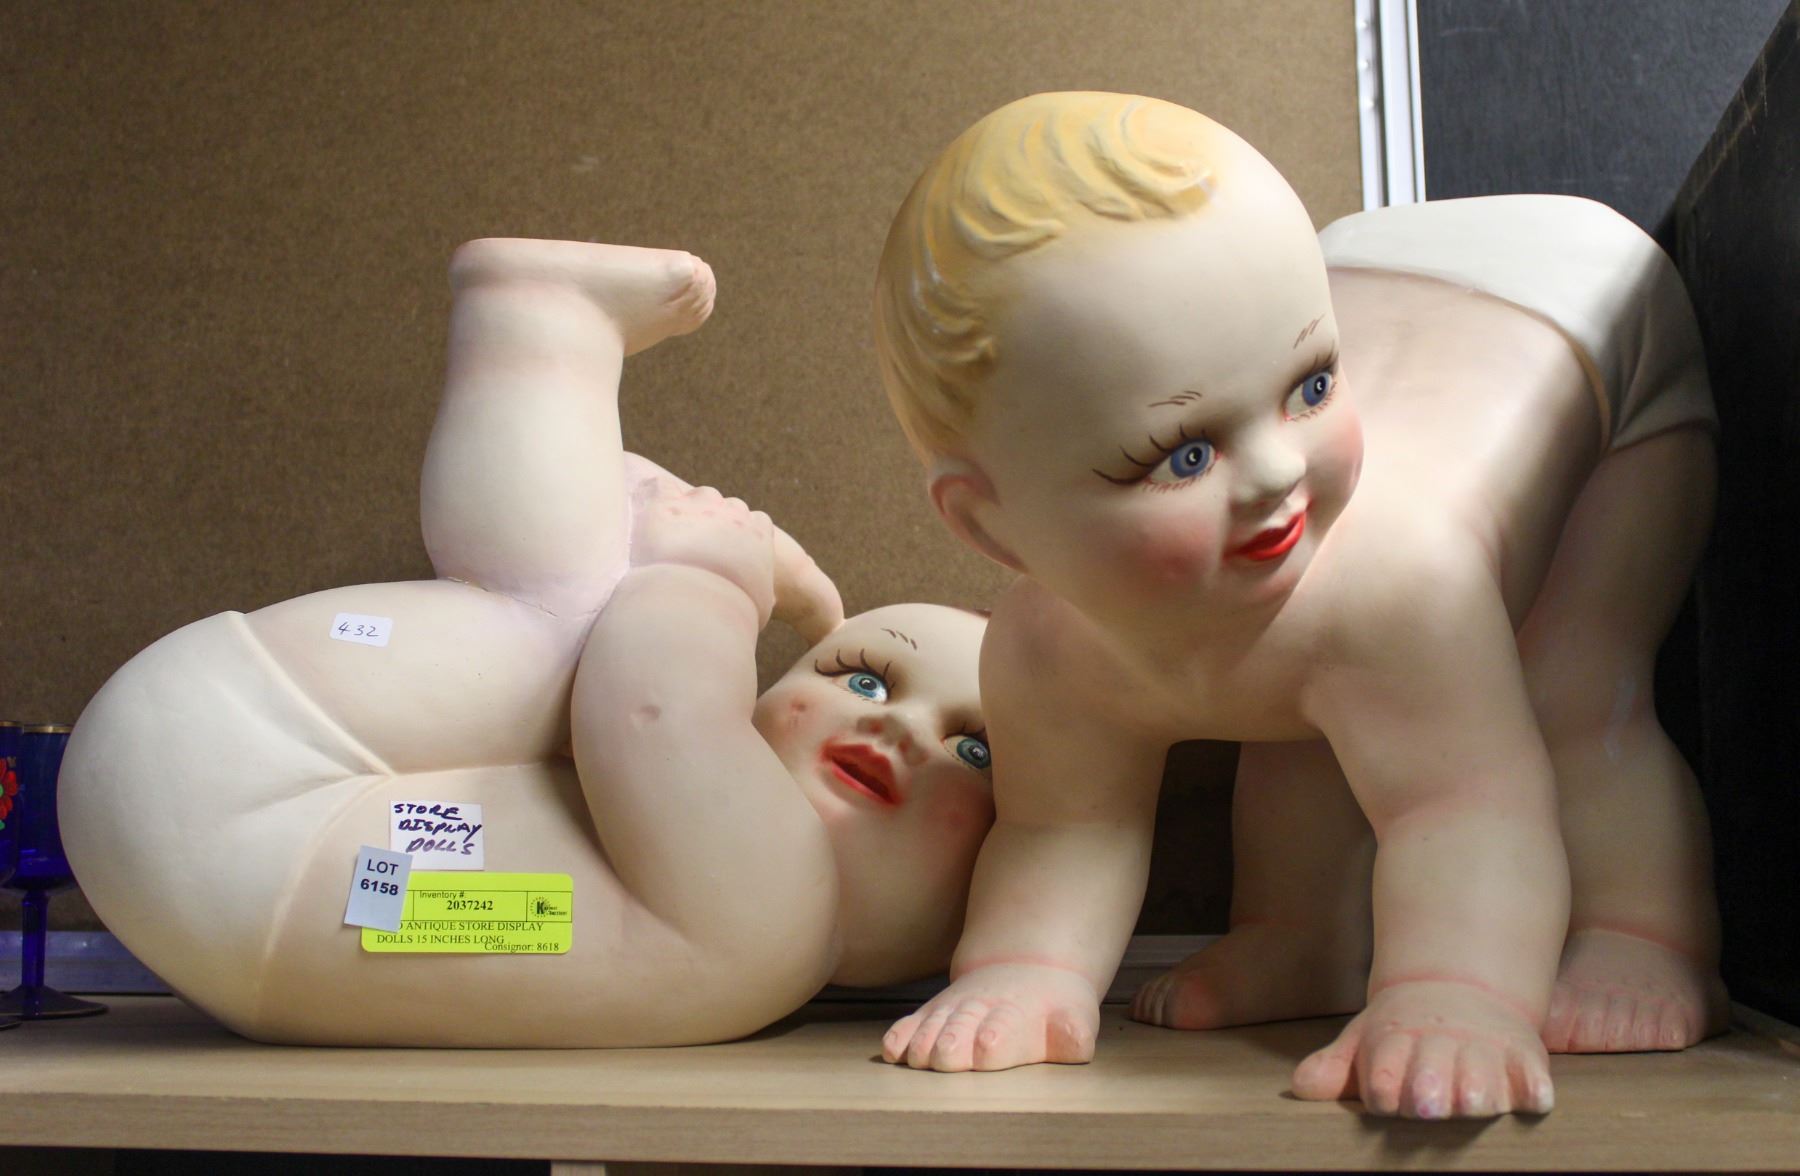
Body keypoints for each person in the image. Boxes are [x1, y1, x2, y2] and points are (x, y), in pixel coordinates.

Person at [869, 91, 1726, 1119]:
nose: (1281, 473)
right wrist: (1024, 971)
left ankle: (1645, 931)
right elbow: (1063, 824)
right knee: (1311, 684)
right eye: (1184, 456)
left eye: (1316, 388)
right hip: (1373, 288)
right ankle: (1302, 940)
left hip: (1592, 317)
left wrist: (1455, 994)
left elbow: (1460, 807)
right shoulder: (1044, 649)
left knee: (1565, 687)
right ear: (989, 524)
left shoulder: (1404, 579)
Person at [59, 239, 993, 1046]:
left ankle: (542, 325)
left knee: (562, 616)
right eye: (862, 678)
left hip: (231, 788)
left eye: (975, 749)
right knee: (572, 621)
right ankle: (561, 386)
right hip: (236, 852)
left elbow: (655, 705)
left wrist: (720, 573)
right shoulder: (761, 929)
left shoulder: (780, 903)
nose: (901, 729)